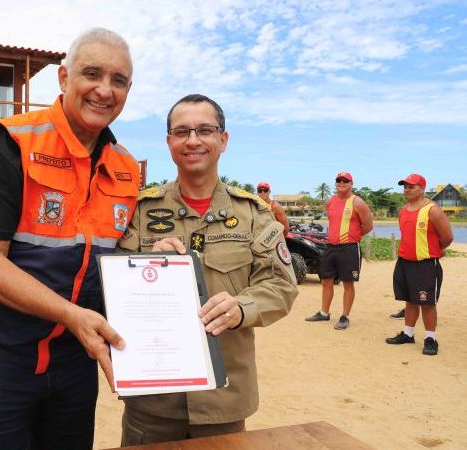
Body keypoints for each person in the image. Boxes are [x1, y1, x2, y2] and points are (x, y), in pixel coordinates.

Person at [0, 28, 138, 450]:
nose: (104, 90)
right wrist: (72, 315)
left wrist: (154, 260)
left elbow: (115, 255)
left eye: (118, 80)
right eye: (92, 74)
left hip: (75, 358)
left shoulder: (125, 168)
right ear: (64, 78)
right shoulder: (8, 144)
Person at [116, 94, 298, 444]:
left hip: (222, 397)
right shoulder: (139, 211)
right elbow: (110, 287)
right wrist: (144, 266)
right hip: (153, 400)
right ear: (169, 141)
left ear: (223, 139)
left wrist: (241, 308)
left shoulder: (253, 213)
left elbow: (280, 285)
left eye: (205, 130)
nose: (193, 140)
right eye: (181, 131)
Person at [385, 174, 452, 356]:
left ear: (422, 188)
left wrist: (434, 250)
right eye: (405, 186)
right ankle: (408, 334)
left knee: (427, 302)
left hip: (426, 264)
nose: (406, 189)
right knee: (409, 299)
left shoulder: (433, 210)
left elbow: (447, 237)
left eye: (411, 186)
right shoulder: (403, 210)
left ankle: (431, 338)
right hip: (405, 262)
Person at [305, 172, 373, 330]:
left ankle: (345, 316)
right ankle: (324, 312)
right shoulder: (330, 202)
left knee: (348, 283)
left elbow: (368, 226)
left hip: (349, 248)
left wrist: (353, 236)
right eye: (338, 180)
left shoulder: (358, 202)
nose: (341, 183)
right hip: (331, 246)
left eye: (345, 180)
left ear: (351, 183)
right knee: (326, 280)